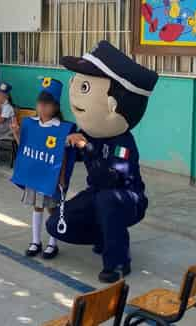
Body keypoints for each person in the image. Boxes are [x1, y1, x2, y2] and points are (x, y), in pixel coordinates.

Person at [46, 41, 158, 283]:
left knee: (109, 200)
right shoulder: (85, 132)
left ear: (113, 104)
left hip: (127, 197)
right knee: (56, 222)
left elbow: (110, 178)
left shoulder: (122, 143)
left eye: (84, 86)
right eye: (76, 83)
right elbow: (65, 160)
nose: (75, 92)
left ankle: (119, 262)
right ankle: (106, 236)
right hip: (97, 194)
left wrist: (85, 147)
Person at [11, 78, 68, 260]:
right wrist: (16, 133)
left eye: (47, 103)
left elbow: (62, 155)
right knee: (37, 207)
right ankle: (36, 241)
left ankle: (53, 243)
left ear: (56, 107)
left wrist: (61, 177)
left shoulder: (61, 129)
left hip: (49, 176)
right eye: (40, 102)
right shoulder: (30, 124)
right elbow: (25, 150)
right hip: (35, 175)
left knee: (51, 208)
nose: (42, 107)